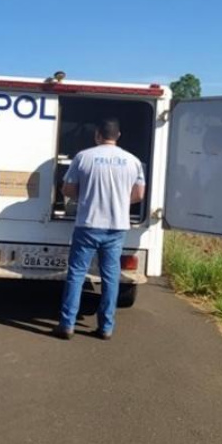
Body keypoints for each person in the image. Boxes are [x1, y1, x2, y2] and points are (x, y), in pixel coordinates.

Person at [53, 118, 145, 340]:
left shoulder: (83, 157)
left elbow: (67, 189)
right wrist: (121, 202)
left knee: (76, 274)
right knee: (110, 276)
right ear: (118, 136)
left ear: (97, 135)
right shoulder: (133, 161)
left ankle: (67, 325)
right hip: (117, 227)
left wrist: (84, 197)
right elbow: (139, 195)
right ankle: (106, 327)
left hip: (88, 224)